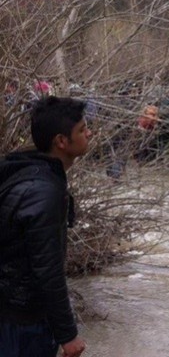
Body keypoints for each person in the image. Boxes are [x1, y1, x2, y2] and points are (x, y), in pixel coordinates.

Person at [0, 96, 89, 357]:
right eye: (82, 130)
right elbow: (47, 271)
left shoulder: (24, 167)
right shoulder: (44, 191)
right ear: (61, 141)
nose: (89, 133)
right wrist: (68, 335)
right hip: (21, 321)